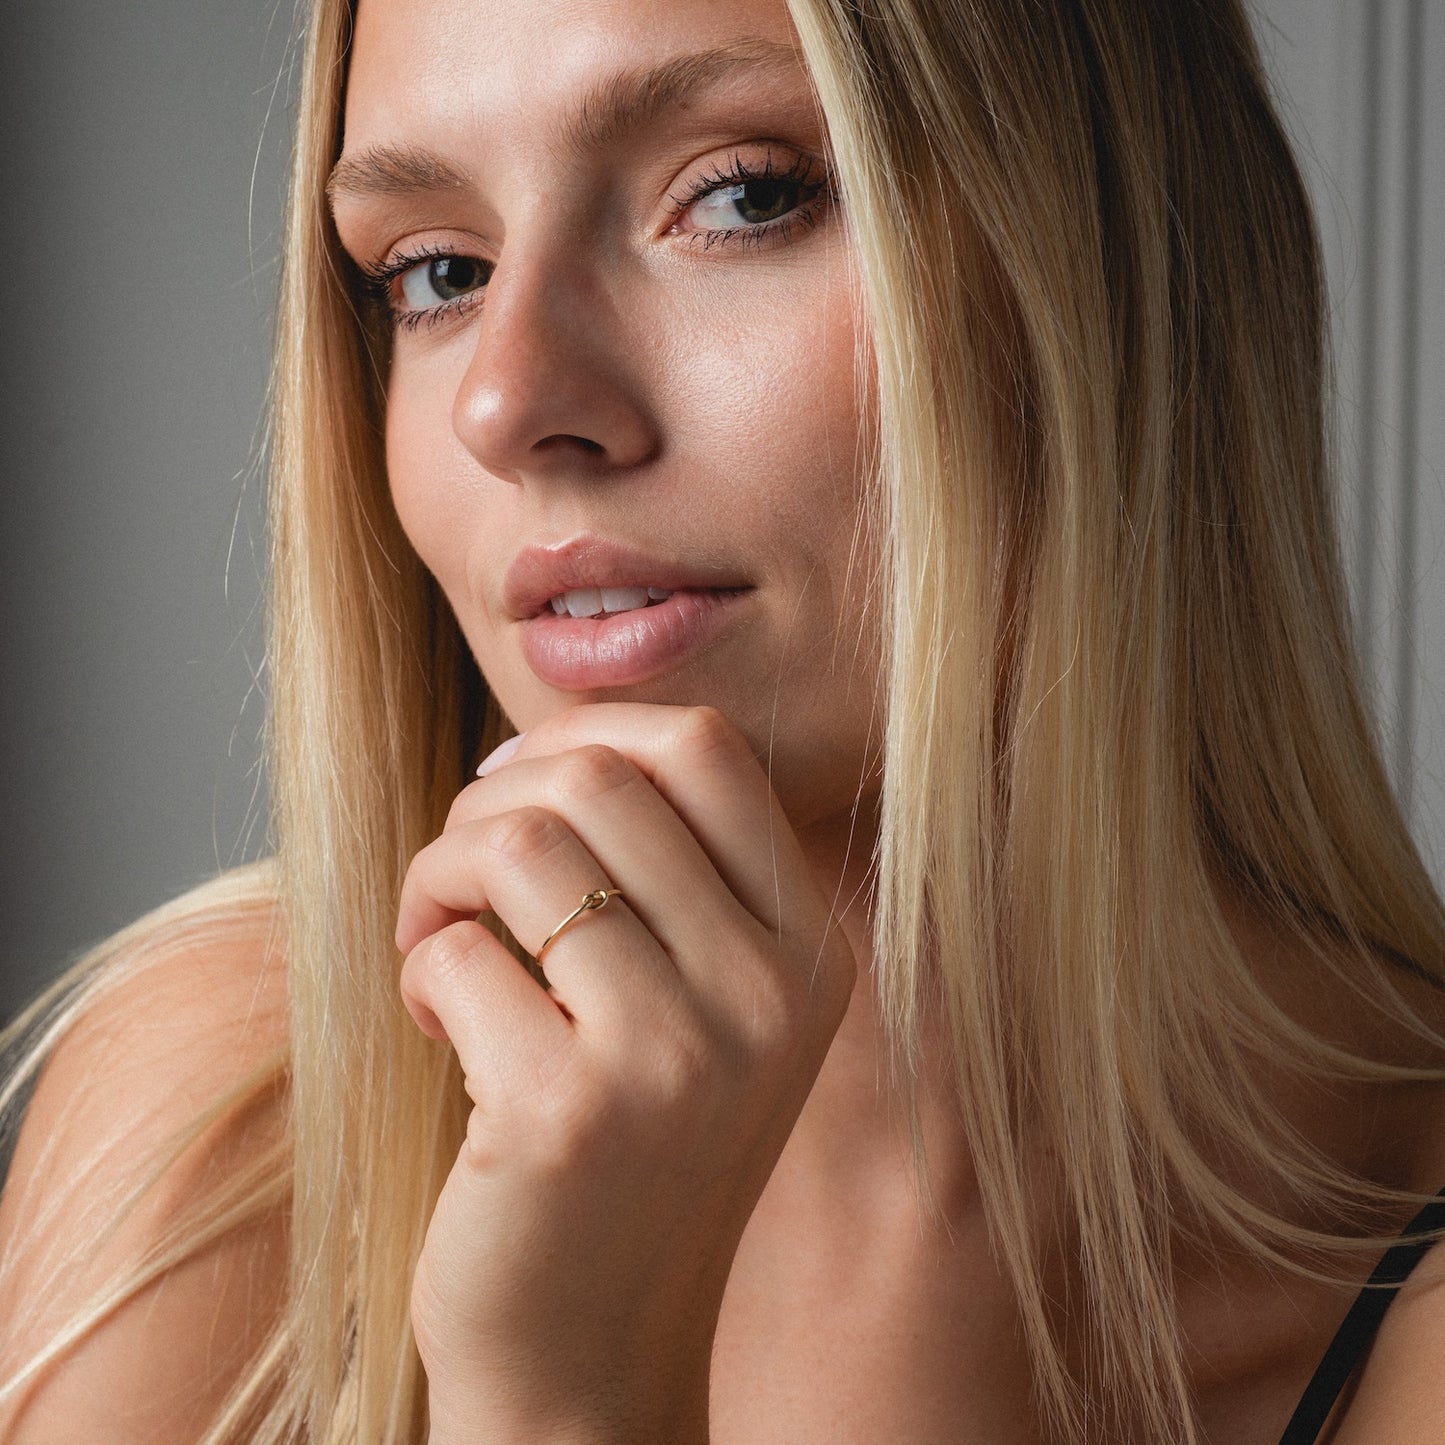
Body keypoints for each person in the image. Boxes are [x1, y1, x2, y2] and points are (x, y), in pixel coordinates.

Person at [2, 0, 1443, 1440]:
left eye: (742, 196)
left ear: (1125, 256)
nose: (505, 401)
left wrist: (565, 1393)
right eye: (438, 270)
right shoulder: (225, 1117)